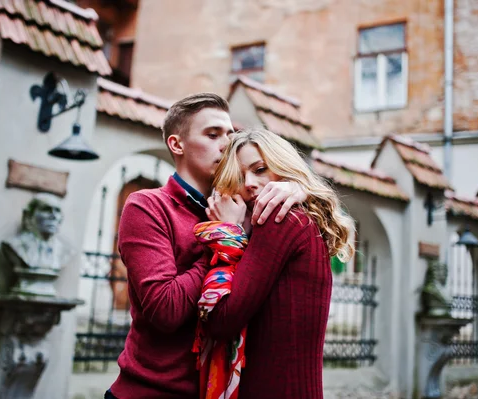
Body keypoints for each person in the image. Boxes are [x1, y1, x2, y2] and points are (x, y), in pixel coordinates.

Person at [106, 94, 307, 399]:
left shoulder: (245, 206)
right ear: (177, 145)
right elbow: (165, 310)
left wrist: (297, 186)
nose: (226, 144)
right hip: (149, 392)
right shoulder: (147, 206)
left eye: (229, 134)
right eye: (212, 135)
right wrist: (225, 237)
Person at [196, 128, 355, 399]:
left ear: (284, 167)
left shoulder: (281, 220)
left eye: (260, 169)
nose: (248, 183)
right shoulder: (301, 220)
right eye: (239, 176)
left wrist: (228, 233)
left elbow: (221, 320)